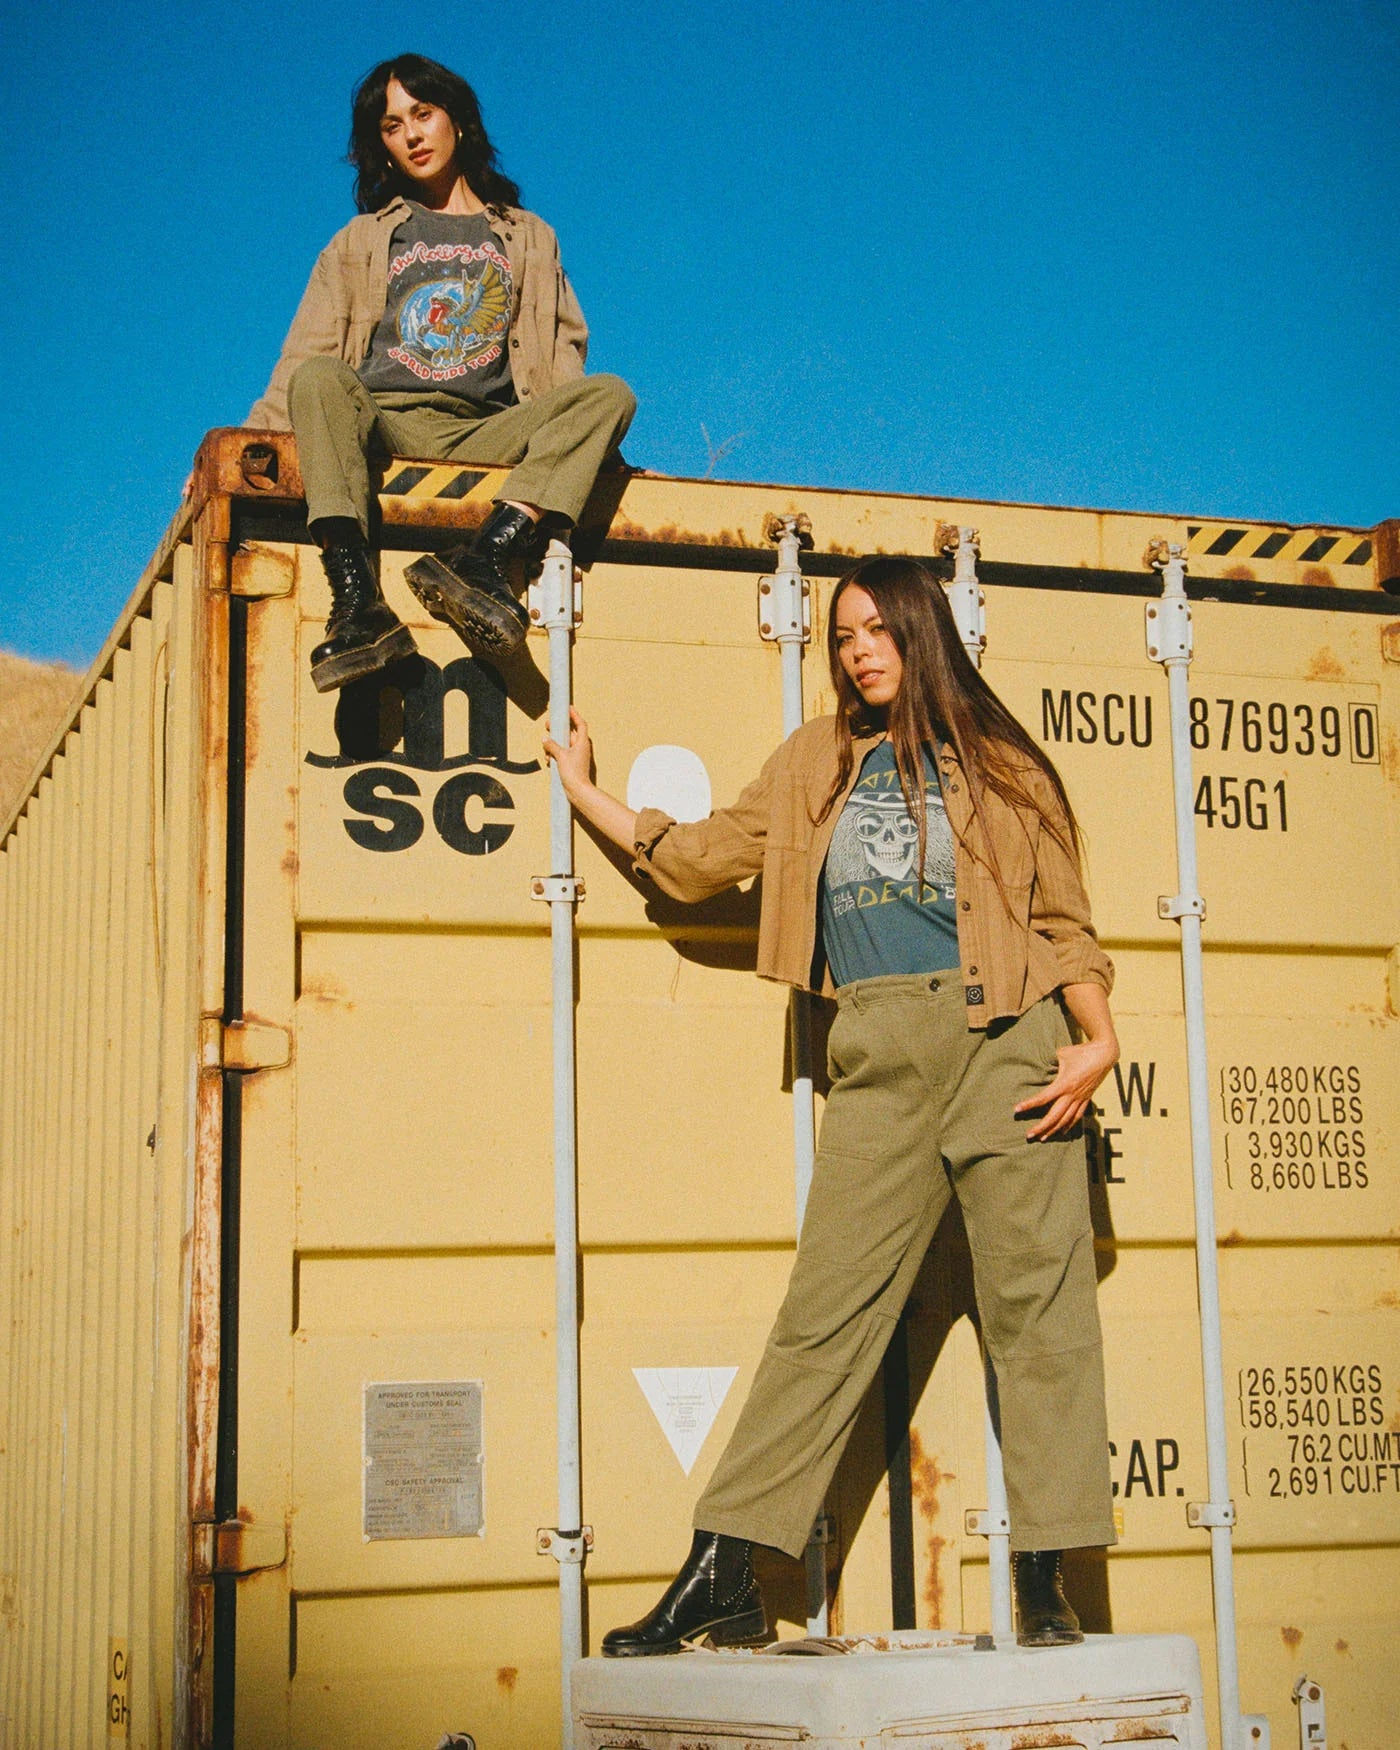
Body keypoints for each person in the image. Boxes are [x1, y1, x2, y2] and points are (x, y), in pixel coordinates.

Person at [544, 555, 1120, 1655]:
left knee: (1040, 1319)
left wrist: (1097, 1039)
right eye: (843, 632)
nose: (859, 650)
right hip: (878, 1051)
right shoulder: (813, 760)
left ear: (921, 635)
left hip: (1011, 1043)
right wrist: (585, 793)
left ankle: (1046, 1576)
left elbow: (1061, 919)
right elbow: (704, 857)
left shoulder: (1003, 764)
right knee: (822, 1318)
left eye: (879, 630)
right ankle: (721, 1567)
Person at [249, 54, 636, 691]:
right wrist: (245, 446)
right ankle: (357, 604)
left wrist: (594, 449)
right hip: (379, 423)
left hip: (487, 431)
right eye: (392, 126)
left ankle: (483, 560)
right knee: (317, 378)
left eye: (422, 114)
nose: (412, 135)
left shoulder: (529, 237)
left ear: (457, 120)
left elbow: (564, 364)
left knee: (611, 395)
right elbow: (299, 360)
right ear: (383, 146)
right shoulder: (359, 240)